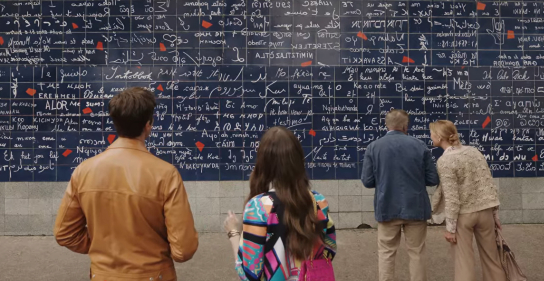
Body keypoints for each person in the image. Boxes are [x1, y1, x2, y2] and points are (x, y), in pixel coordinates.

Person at [54, 87, 198, 281]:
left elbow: (65, 234)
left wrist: (102, 247)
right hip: (154, 275)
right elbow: (183, 250)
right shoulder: (166, 174)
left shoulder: (84, 170)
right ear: (148, 125)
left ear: (115, 123)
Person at [223, 126, 337, 281]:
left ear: (264, 163)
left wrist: (233, 234)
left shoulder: (258, 208)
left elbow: (249, 275)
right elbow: (329, 251)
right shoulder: (318, 202)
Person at [361, 109, 439, 281]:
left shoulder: (373, 147)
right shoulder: (420, 146)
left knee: (386, 252)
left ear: (386, 125)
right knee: (417, 252)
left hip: (387, 206)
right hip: (416, 207)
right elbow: (433, 179)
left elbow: (367, 181)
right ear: (405, 126)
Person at [429, 120, 506, 281]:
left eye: (432, 133)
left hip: (464, 216)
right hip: (485, 211)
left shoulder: (445, 161)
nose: (430, 136)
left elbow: (451, 197)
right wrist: (495, 214)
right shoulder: (474, 152)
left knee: (464, 262)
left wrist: (450, 228)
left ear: (439, 136)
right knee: (492, 259)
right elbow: (488, 184)